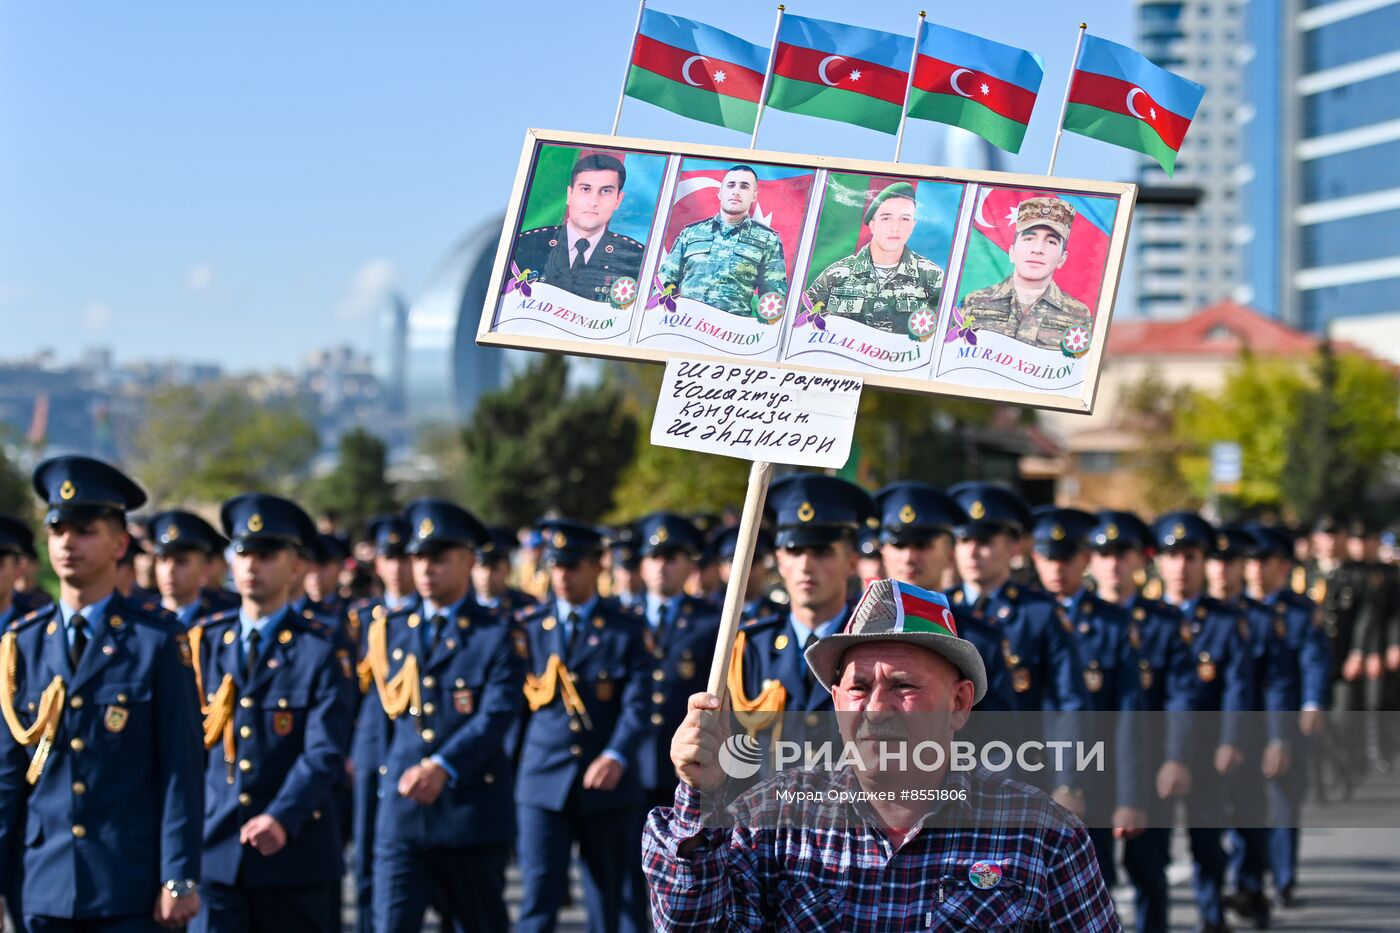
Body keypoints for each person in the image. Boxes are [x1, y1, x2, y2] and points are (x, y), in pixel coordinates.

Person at [643, 577, 1121, 931]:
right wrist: (699, 796)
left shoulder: (1043, 834)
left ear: (959, 703)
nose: (875, 709)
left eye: (902, 686)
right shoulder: (772, 816)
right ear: (834, 701)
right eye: (859, 687)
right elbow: (691, 925)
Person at [0, 456, 205, 931]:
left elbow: (181, 766)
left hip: (127, 884)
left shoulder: (156, 641)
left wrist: (179, 877)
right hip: (43, 883)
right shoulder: (22, 646)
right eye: (58, 530)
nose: (68, 542)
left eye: (85, 529)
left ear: (120, 543)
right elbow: (9, 776)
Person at [359, 499, 526, 932]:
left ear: (469, 561)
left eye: (438, 558)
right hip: (401, 814)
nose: (426, 569)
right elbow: (381, 724)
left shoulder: (497, 632)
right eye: (418, 558)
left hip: (470, 814)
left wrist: (443, 766)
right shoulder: (391, 630)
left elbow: (497, 715)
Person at [191, 493, 354, 933]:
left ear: (296, 566)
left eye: (266, 555)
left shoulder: (321, 647)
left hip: (295, 855)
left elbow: (324, 750)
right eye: (243, 553)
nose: (251, 566)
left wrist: (282, 815)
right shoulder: (205, 642)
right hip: (217, 852)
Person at [514, 519, 652, 933]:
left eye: (572, 565)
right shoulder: (530, 626)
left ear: (598, 566)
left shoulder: (625, 629)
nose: (562, 575)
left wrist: (616, 754)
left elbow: (639, 704)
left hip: (606, 785)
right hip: (542, 781)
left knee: (606, 900)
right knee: (537, 899)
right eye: (555, 566)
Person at [1030, 508, 1148, 897]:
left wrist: (1129, 794)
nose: (1057, 569)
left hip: (1091, 774)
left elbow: (1129, 716)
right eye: (1049, 557)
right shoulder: (1021, 619)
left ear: (1084, 560)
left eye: (1067, 558)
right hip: (1023, 772)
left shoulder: (1113, 624)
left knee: (1090, 892)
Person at [1087, 510, 1194, 933]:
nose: (1113, 563)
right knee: (1092, 879)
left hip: (1148, 764)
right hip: (1089, 765)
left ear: (1141, 560)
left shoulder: (1164, 623)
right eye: (1104, 553)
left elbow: (1180, 698)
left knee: (1150, 870)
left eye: (1123, 552)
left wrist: (1175, 757)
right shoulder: (1075, 622)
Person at [1150, 512, 1254, 933]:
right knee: (1152, 849)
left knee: (1208, 843)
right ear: (1158, 562)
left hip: (1208, 748)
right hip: (1156, 749)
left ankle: (1212, 917)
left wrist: (1231, 740)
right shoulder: (1146, 621)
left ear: (1204, 562)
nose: (1181, 567)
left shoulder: (1226, 622)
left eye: (1191, 556)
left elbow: (1237, 688)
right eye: (1172, 556)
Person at [730, 475, 874, 756]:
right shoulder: (751, 647)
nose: (806, 566)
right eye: (794, 551)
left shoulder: (873, 645)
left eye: (822, 552)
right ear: (780, 560)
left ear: (852, 562)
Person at [1238, 524, 1330, 912]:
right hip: (1240, 721)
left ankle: (1283, 878)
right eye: (1251, 561)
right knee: (1243, 802)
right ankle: (1248, 879)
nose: (1256, 569)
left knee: (1282, 799)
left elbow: (1314, 661)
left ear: (1282, 566)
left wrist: (1312, 703)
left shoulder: (1299, 611)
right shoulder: (1232, 609)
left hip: (1285, 718)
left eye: (1265, 561)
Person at [804, 182, 945, 334]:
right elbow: (801, 322)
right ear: (872, 225)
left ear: (912, 226)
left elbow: (946, 334)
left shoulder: (932, 277)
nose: (895, 228)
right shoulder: (837, 274)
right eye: (886, 218)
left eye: (904, 219)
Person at [958, 196, 1093, 351]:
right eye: (1029, 238)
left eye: (1051, 242)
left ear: (1062, 259)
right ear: (1012, 251)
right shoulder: (973, 302)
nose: (1037, 249)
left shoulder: (1079, 315)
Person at [512, 153, 645, 304]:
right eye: (586, 189)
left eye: (606, 191)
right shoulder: (525, 245)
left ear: (618, 200)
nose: (593, 202)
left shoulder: (637, 258)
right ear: (570, 194)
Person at [658, 165, 787, 316]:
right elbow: (664, 285)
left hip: (731, 334)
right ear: (720, 193)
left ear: (754, 196)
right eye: (731, 185)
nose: (736, 191)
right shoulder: (690, 234)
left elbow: (772, 301)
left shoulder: (768, 241)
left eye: (744, 187)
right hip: (684, 327)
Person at [874, 482, 964, 594]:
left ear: (950, 554)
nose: (909, 558)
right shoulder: (858, 612)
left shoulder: (981, 612)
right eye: (899, 545)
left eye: (921, 545)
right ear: (883, 553)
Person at [149, 509, 230, 628]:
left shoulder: (222, 620)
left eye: (181, 562)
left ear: (204, 568)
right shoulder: (142, 617)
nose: (170, 570)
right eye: (163, 560)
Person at [712, 526, 783, 622]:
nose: (744, 571)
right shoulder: (707, 617)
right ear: (721, 569)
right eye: (733, 562)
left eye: (753, 561)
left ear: (765, 568)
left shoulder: (780, 616)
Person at [473, 525, 537, 616]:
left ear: (509, 568)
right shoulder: (458, 607)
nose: (487, 575)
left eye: (495, 568)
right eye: (482, 567)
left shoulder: (527, 606)